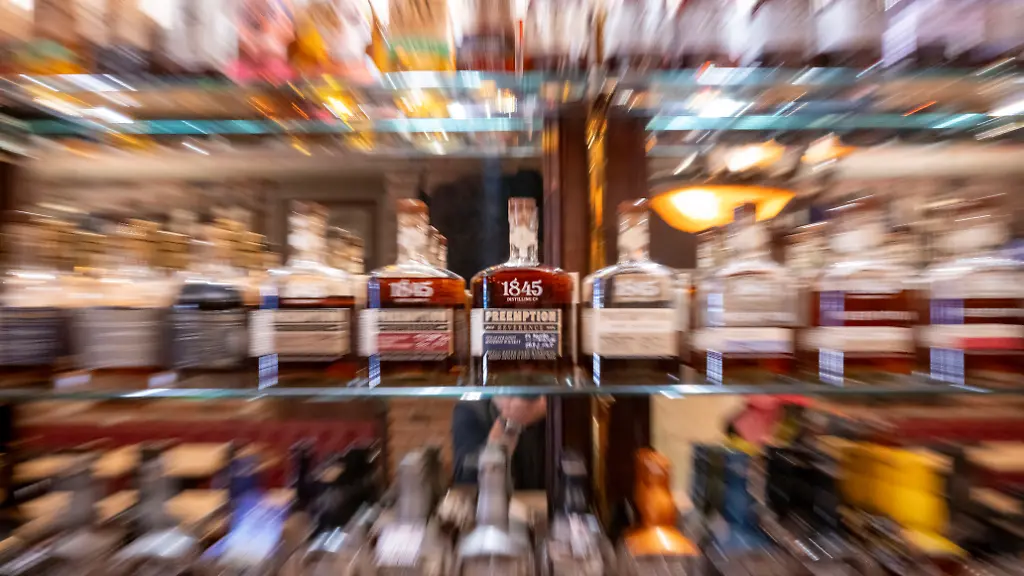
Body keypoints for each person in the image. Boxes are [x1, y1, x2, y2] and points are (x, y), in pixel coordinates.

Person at [451, 396, 547, 490]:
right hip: (496, 498)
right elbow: (466, 482)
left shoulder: (550, 404)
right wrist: (508, 421)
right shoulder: (471, 410)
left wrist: (546, 408)